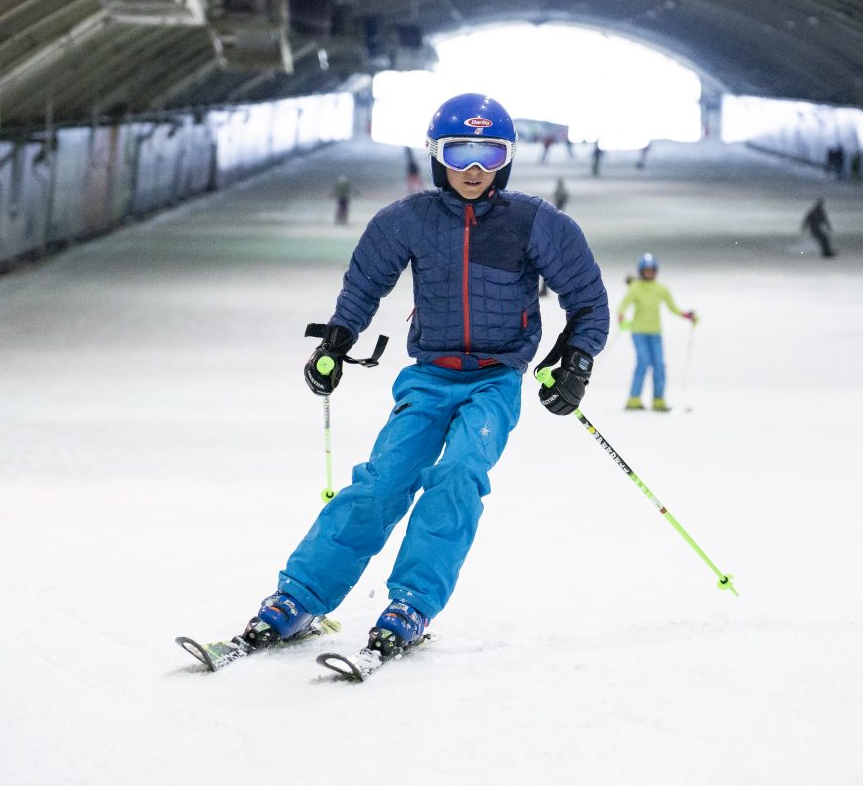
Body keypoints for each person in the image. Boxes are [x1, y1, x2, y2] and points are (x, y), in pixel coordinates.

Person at [249, 93, 610, 661]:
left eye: (489, 154)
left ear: (507, 159)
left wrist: (576, 363)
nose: (473, 169)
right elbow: (366, 283)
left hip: (494, 379)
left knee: (458, 474)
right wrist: (337, 342)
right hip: (428, 376)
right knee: (382, 482)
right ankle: (300, 596)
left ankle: (412, 601)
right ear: (436, 155)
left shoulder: (536, 223)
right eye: (459, 151)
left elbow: (588, 301)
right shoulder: (409, 220)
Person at [618, 253, 696, 412]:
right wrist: (622, 317)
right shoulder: (635, 287)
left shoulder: (661, 289)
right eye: (646, 270)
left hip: (655, 333)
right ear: (641, 271)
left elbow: (673, 308)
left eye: (652, 270)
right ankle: (633, 399)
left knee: (659, 365)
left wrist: (687, 315)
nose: (649, 273)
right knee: (643, 362)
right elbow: (623, 305)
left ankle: (658, 400)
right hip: (638, 332)